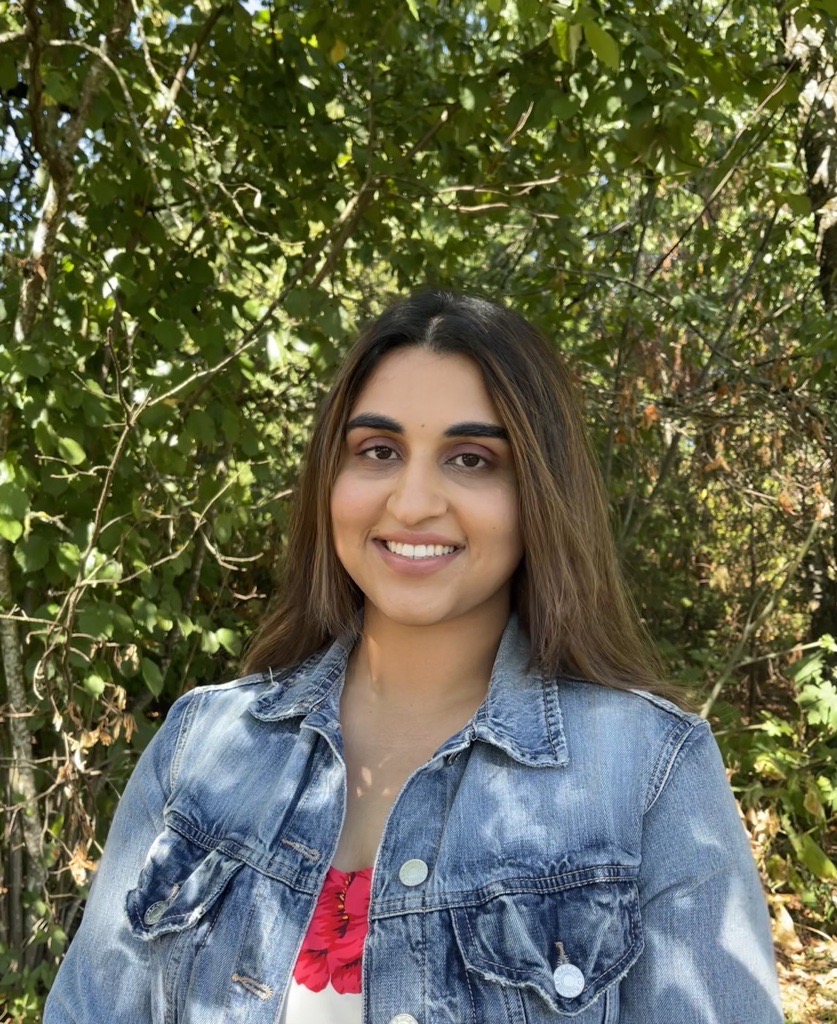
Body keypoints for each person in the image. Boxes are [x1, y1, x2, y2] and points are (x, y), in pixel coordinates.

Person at [45, 290, 784, 1024]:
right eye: (378, 452)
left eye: (470, 458)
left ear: (538, 491)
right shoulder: (201, 747)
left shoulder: (647, 772)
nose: (412, 502)